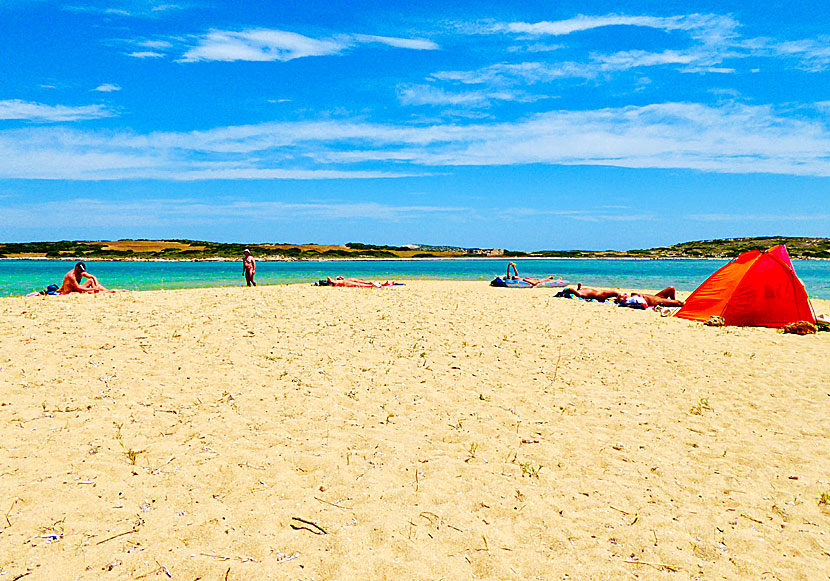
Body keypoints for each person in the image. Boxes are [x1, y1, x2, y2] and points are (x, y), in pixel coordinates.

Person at [617, 286, 684, 308]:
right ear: (623, 299)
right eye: (623, 295)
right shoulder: (632, 301)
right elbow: (643, 305)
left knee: (671, 288)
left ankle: (672, 302)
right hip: (656, 302)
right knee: (679, 303)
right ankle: (674, 303)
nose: (625, 293)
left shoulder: (632, 296)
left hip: (656, 297)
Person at [556, 283, 621, 302]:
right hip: (599, 295)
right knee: (616, 293)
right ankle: (620, 300)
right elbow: (577, 294)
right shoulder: (579, 295)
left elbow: (577, 291)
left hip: (598, 293)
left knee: (616, 294)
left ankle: (619, 299)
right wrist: (570, 290)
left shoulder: (578, 292)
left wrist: (578, 287)